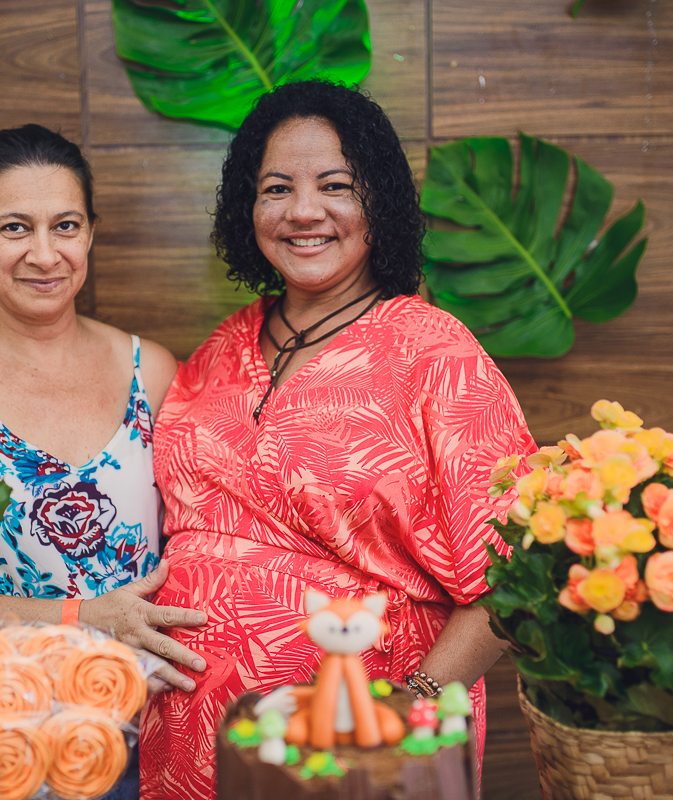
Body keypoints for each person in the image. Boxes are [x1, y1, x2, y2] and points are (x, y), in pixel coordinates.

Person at [138, 82, 537, 799]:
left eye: (335, 186)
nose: (303, 211)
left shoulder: (436, 353)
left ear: (377, 203)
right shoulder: (220, 349)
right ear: (246, 208)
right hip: (192, 749)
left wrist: (409, 705)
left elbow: (515, 574)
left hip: (361, 754)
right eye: (276, 189)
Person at [0, 125, 210, 797]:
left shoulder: (148, 370)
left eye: (65, 225)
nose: (44, 253)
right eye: (14, 228)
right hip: (1, 733)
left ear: (90, 234)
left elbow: (198, 534)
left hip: (149, 724)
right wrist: (81, 617)